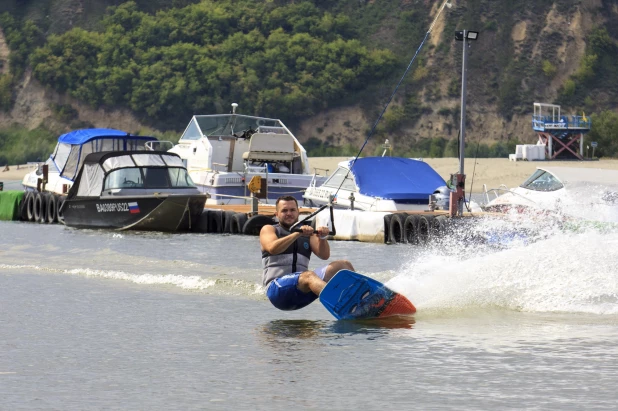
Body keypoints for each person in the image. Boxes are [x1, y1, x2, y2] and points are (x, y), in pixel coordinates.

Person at [260, 195, 355, 311]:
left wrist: (322, 238)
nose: (289, 213)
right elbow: (272, 248)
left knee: (343, 265)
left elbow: (324, 255)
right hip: (277, 291)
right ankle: (343, 304)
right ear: (277, 214)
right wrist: (297, 233)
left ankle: (363, 299)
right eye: (284, 210)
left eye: (292, 210)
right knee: (308, 275)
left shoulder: (308, 233)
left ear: (298, 212)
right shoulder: (269, 229)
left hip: (302, 291)